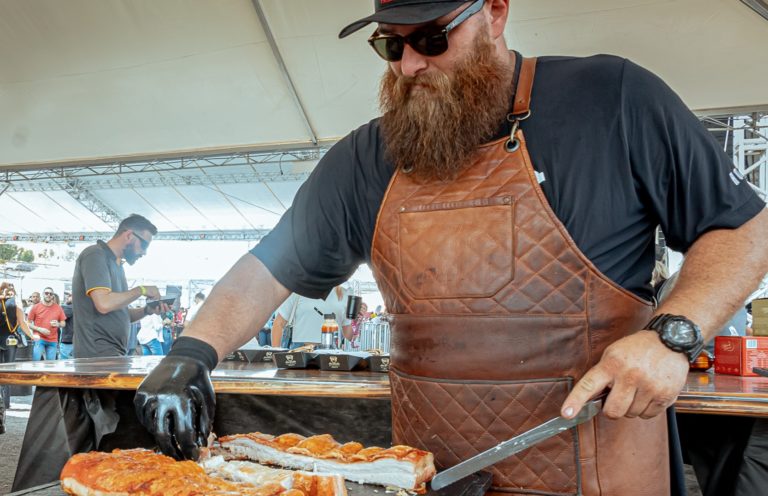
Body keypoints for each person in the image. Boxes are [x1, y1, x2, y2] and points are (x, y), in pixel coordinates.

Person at [134, 2, 768, 494]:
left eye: (433, 39)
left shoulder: (613, 100)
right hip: (428, 475)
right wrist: (191, 353)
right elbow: (268, 268)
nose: (410, 64)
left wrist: (671, 337)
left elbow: (743, 227)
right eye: (391, 44)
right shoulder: (366, 156)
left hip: (599, 469)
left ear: (493, 12)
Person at [72, 214, 165, 358]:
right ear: (128, 235)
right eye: (144, 245)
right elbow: (104, 304)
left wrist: (147, 310)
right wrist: (141, 290)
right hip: (96, 355)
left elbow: (122, 314)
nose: (144, 252)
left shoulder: (118, 265)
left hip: (112, 353)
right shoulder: (95, 255)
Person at [0, 282, 37, 433]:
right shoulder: (15, 302)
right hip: (10, 340)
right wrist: (33, 336)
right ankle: (5, 404)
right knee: (7, 373)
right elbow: (22, 323)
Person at [271, 286, 353, 349]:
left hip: (332, 353)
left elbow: (348, 337)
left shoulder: (345, 293)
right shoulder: (298, 289)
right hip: (301, 351)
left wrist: (356, 320)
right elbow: (279, 323)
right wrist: (276, 356)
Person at [27, 286, 66, 361]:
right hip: (39, 338)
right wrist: (39, 329)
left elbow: (63, 323)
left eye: (51, 294)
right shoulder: (36, 307)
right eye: (46, 293)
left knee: (50, 365)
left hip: (52, 339)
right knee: (36, 362)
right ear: (43, 294)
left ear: (53, 296)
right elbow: (28, 323)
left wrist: (58, 324)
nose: (48, 295)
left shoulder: (58, 308)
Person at [59, 292, 75, 359]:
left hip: (68, 340)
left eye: (70, 296)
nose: (67, 297)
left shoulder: (69, 308)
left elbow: (59, 317)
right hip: (76, 340)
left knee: (63, 363)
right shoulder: (82, 308)